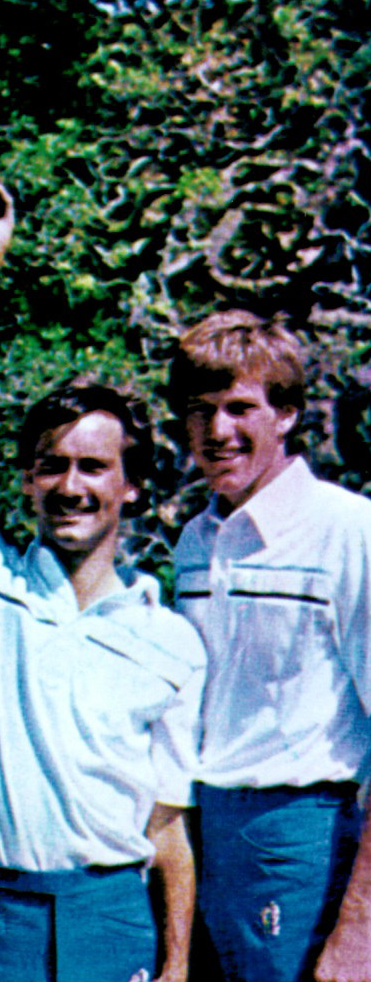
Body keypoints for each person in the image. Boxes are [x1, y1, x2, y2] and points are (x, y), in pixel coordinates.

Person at [0, 205, 207, 982]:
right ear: (25, 480)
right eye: (51, 465)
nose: (69, 486)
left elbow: (169, 828)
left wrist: (176, 966)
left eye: (93, 467)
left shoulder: (171, 641)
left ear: (133, 487)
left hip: (110, 917)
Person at [168, 310, 371, 982]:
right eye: (200, 410)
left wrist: (360, 929)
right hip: (200, 835)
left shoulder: (347, 530)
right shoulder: (194, 541)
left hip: (300, 841)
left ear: (286, 414)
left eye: (240, 408)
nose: (218, 431)